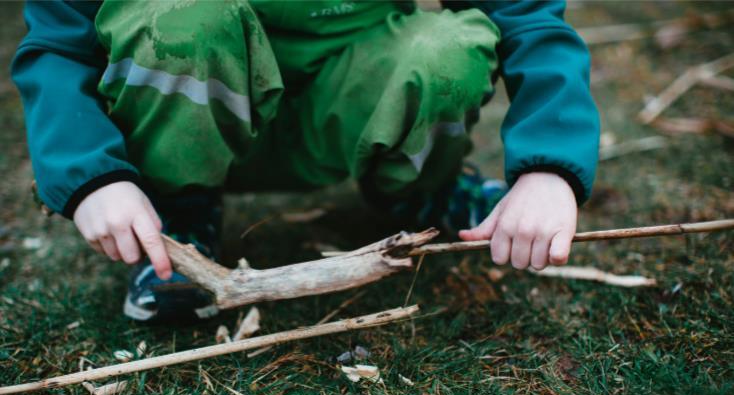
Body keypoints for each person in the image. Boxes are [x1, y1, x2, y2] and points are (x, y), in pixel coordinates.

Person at [11, 1, 599, 323]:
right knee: (179, 21)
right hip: (191, 110)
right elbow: (61, 44)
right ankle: (177, 216)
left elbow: (529, 20)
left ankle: (421, 189)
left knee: (445, 52)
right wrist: (93, 176)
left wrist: (549, 166)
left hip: (351, 107)